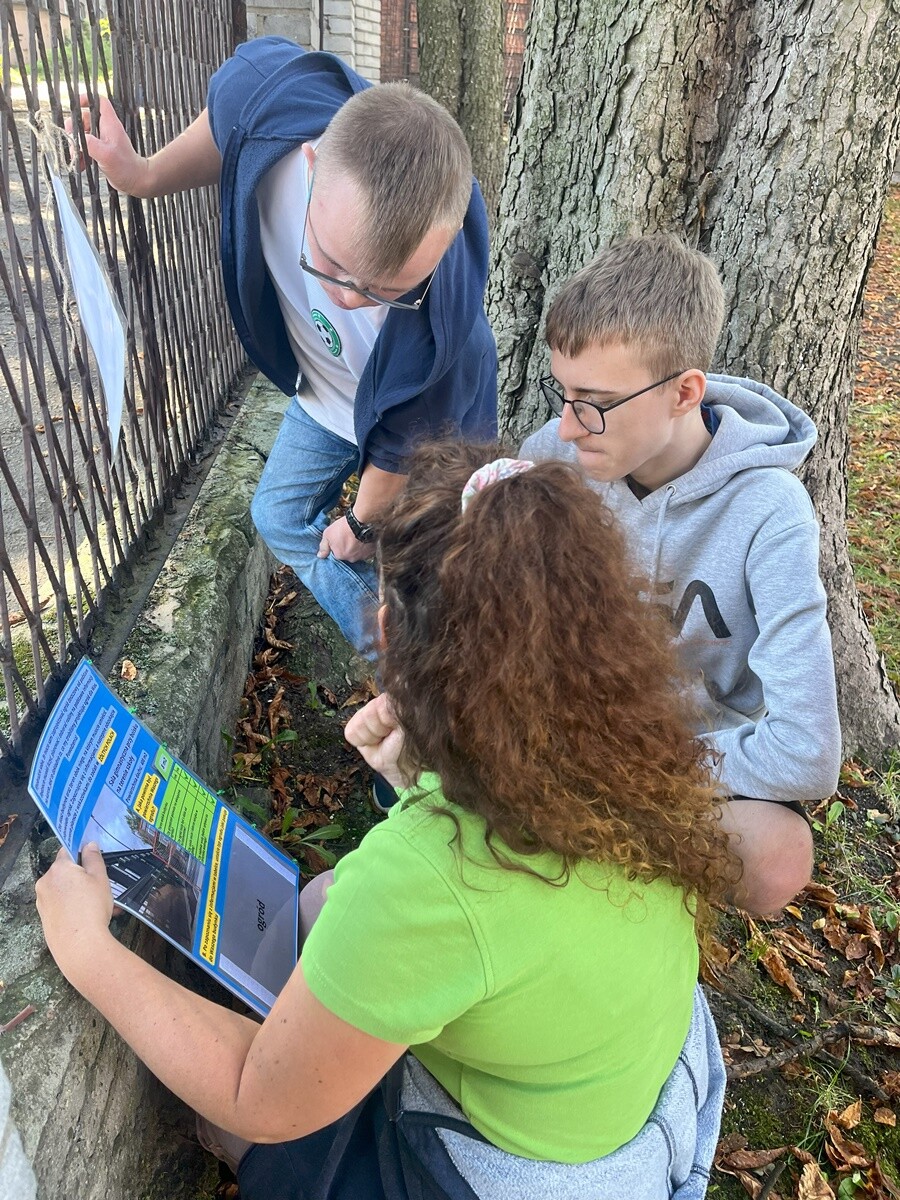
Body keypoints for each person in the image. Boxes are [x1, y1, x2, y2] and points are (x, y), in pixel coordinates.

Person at [37, 444, 738, 1200]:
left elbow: (254, 1092)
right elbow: (506, 908)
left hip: (532, 1174)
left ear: (398, 637)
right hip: (610, 1097)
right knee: (322, 904)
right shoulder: (623, 751)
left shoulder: (429, 876)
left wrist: (87, 952)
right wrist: (421, 779)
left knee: (232, 1128)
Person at [71, 36, 497, 655]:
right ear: (312, 163)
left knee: (423, 565)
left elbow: (407, 447)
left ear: (443, 241)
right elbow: (228, 129)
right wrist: (142, 176)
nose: (350, 300)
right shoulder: (269, 95)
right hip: (328, 393)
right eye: (332, 265)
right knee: (277, 516)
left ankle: (432, 660)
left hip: (421, 432)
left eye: (386, 291)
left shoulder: (449, 329)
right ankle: (400, 660)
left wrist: (358, 525)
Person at [521, 233, 842, 916]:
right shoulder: (547, 458)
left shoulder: (770, 511)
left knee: (778, 856)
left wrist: (633, 772)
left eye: (595, 402)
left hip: (690, 764)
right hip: (565, 739)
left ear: (684, 392)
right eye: (564, 393)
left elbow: (808, 752)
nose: (570, 429)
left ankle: (590, 871)